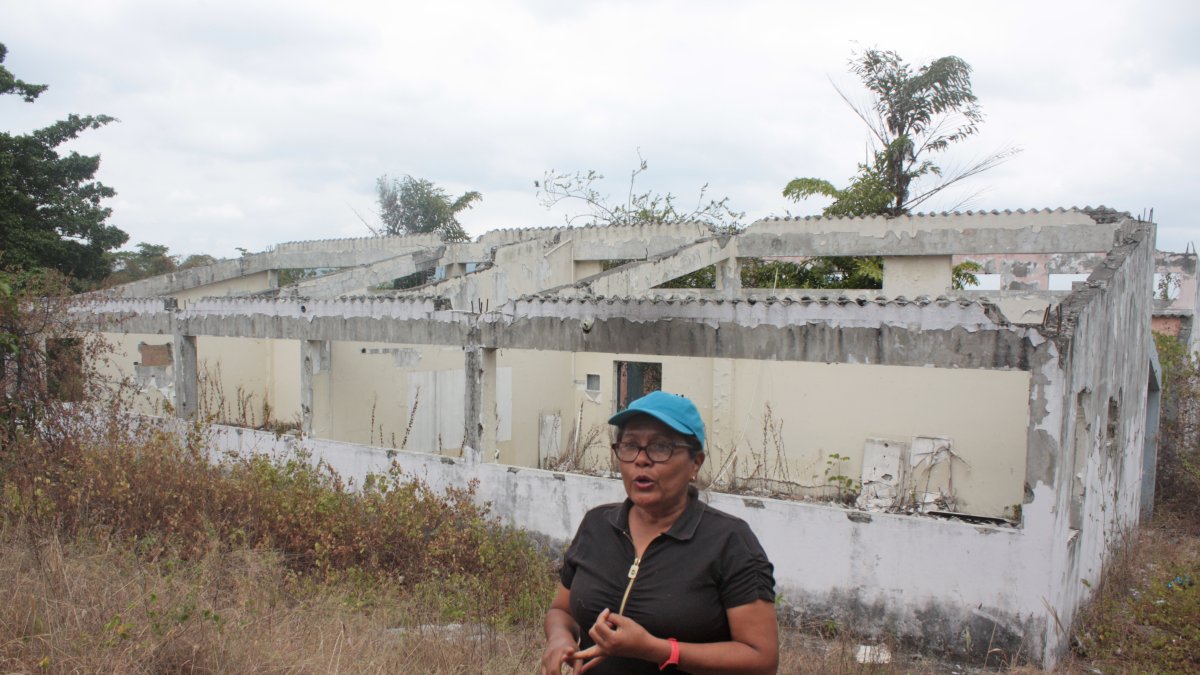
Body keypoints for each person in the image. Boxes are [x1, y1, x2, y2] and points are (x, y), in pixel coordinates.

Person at [541, 391, 778, 674]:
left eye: (660, 447)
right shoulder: (597, 525)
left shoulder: (730, 541)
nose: (641, 460)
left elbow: (761, 659)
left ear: (695, 463)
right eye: (630, 445)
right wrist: (559, 637)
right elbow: (562, 610)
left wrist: (658, 650)